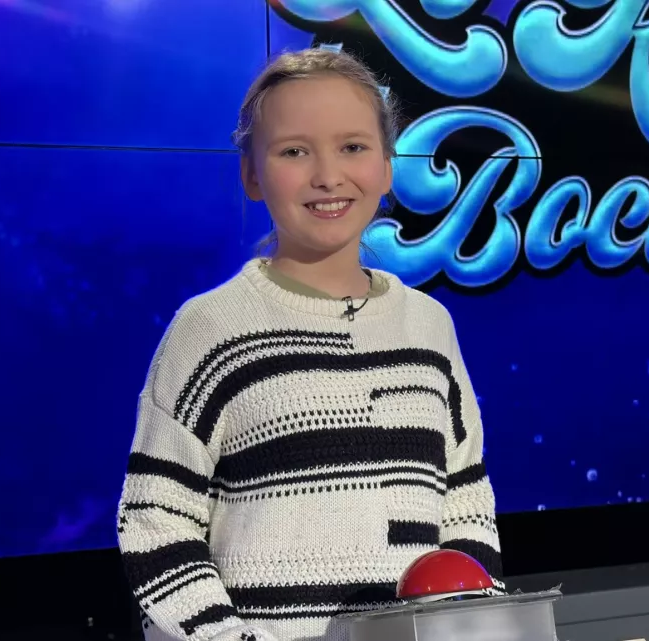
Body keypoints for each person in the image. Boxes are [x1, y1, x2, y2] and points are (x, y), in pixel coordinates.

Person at [116, 47, 504, 641]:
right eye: (294, 151)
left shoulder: (429, 326)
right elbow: (156, 521)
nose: (327, 175)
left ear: (388, 166)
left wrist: (471, 623)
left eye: (353, 147)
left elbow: (465, 503)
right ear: (251, 175)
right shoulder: (210, 329)